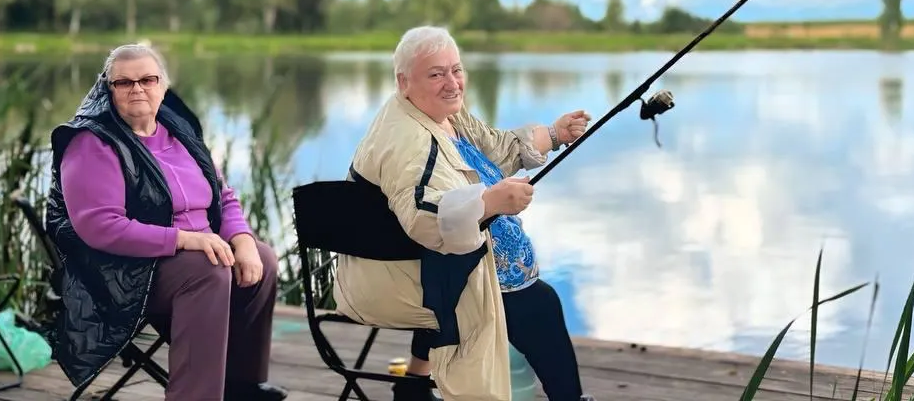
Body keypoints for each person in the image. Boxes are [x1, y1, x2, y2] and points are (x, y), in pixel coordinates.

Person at [333, 26, 595, 401]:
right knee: (541, 303)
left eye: (456, 70)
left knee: (459, 267)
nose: (452, 83)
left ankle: (412, 388)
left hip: (425, 265)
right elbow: (426, 218)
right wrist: (488, 203)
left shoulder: (442, 114)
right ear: (403, 81)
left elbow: (495, 151)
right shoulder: (410, 141)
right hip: (402, 276)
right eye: (436, 74)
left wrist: (553, 134)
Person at [45, 43, 288, 401]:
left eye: (147, 79)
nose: (137, 88)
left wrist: (243, 239)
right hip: (122, 272)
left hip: (193, 259)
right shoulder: (91, 143)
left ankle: (241, 385)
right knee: (208, 267)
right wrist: (187, 239)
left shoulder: (180, 133)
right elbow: (99, 226)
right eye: (123, 83)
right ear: (108, 89)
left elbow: (222, 195)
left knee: (263, 260)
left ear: (163, 85)